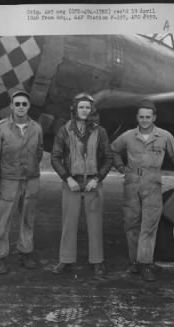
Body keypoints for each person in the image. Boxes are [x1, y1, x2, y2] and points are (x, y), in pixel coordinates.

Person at [111, 100, 174, 281]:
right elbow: (113, 150)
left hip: (153, 182)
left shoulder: (164, 136)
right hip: (132, 182)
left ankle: (145, 264)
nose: (145, 120)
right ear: (137, 118)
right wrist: (121, 168)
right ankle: (134, 263)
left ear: (154, 117)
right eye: (141, 117)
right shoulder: (128, 136)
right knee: (131, 224)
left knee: (149, 225)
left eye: (148, 117)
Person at [51, 92, 113, 279]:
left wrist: (97, 178)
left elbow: (108, 157)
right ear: (75, 109)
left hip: (93, 183)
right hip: (72, 182)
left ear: (92, 109)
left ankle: (97, 261)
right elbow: (55, 157)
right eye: (81, 107)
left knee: (95, 224)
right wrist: (67, 178)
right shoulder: (65, 130)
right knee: (69, 222)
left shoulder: (100, 131)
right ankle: (66, 259)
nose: (85, 110)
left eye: (88, 107)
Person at [0, 90, 43, 274]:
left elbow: (39, 152)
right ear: (11, 106)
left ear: (29, 107)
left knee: (28, 219)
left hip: (30, 179)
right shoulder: (0, 127)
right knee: (2, 221)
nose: (20, 107)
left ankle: (25, 252)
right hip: (7, 180)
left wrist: (30, 167)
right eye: (17, 104)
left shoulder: (36, 127)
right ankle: (0, 256)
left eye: (24, 104)